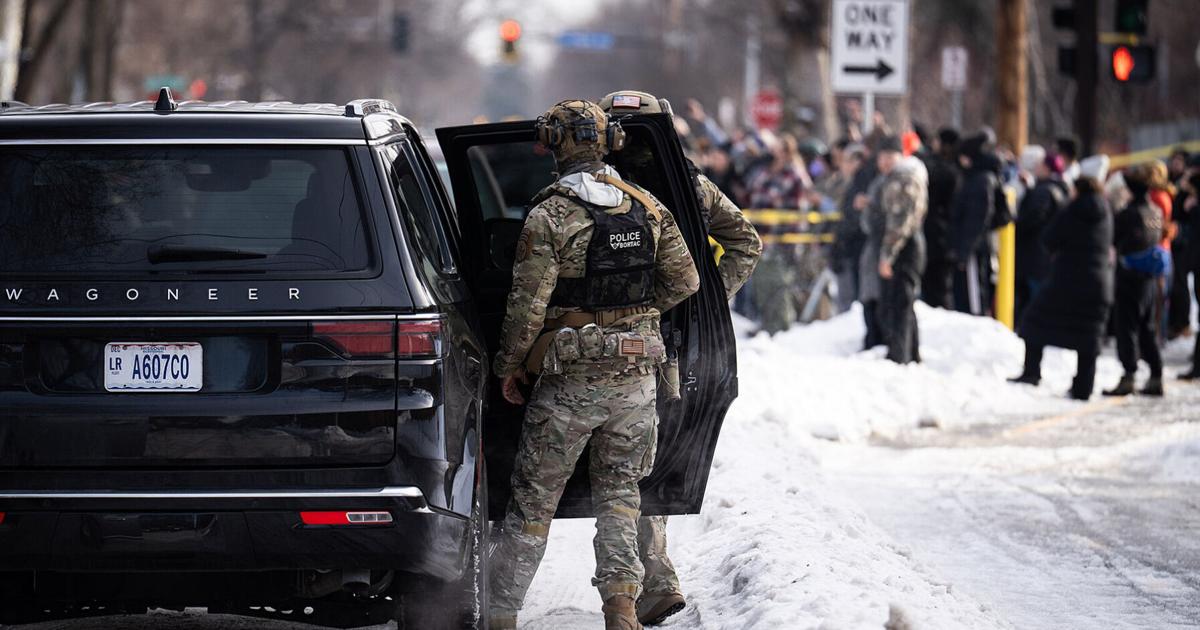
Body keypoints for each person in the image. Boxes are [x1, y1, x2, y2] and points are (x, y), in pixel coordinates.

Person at [488, 99, 700, 630]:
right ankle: (622, 611)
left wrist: (510, 366)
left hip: (569, 381)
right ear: (611, 142)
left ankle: (500, 613)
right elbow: (686, 282)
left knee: (533, 504)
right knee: (621, 498)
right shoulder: (648, 208)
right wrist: (633, 315)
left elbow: (527, 304)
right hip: (636, 381)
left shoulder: (549, 214)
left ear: (552, 144)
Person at [601, 88, 763, 626]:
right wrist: (706, 301)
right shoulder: (692, 187)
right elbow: (746, 243)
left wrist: (708, 302)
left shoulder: (595, 190)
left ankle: (646, 584)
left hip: (602, 345)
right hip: (671, 344)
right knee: (642, 462)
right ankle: (651, 582)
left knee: (617, 466)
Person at [1010, 156, 1114, 400]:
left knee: (1034, 321)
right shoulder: (1106, 211)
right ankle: (1083, 387)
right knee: (1090, 335)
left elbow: (1049, 238)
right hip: (1100, 281)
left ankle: (1031, 371)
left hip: (1068, 280)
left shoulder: (1074, 209)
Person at [863, 135, 928, 363]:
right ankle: (911, 354)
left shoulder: (902, 179)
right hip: (905, 245)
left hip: (904, 247)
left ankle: (900, 356)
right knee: (903, 303)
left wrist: (887, 257)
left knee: (898, 304)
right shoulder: (899, 177)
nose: (885, 161)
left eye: (891, 156)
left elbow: (899, 223)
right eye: (882, 156)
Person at [1104, 163, 1167, 397]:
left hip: (1129, 276)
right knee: (1147, 327)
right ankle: (1156, 373)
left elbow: (1114, 239)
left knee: (1127, 327)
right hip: (1149, 277)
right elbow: (1155, 237)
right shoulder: (1155, 212)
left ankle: (1129, 375)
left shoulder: (1127, 214)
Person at [748, 132, 810, 334]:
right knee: (762, 284)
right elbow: (755, 192)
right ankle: (767, 325)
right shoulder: (767, 171)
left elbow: (778, 202)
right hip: (762, 237)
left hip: (782, 239)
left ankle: (782, 327)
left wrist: (793, 244)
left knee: (778, 285)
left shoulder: (793, 174)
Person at [1014, 153, 1069, 322]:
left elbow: (1034, 217)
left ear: (1046, 168)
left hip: (1034, 254)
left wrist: (1014, 224)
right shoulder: (1061, 189)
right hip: (1045, 254)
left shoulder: (1044, 191)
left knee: (1033, 300)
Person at [951, 133, 1002, 315]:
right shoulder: (976, 178)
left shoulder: (980, 180)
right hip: (971, 245)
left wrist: (965, 251)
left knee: (974, 299)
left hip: (973, 248)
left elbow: (977, 219)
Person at [921, 127, 961, 309]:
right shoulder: (952, 169)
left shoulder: (948, 172)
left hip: (940, 238)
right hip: (940, 236)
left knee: (938, 290)